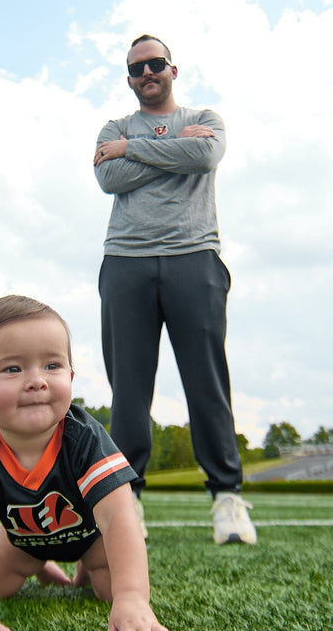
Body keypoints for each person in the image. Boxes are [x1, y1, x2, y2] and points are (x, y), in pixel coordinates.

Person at [0, 294, 180, 631]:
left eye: (52, 365)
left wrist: (132, 598)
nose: (36, 381)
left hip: (91, 537)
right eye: (12, 369)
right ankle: (42, 566)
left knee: (110, 588)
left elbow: (119, 518)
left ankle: (87, 567)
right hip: (22, 541)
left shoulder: (85, 439)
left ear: (71, 377)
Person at [93, 35, 256, 546]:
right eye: (137, 67)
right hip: (126, 261)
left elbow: (205, 156)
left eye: (156, 64)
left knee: (206, 383)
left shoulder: (204, 117)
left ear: (173, 69)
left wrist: (136, 151)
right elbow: (109, 177)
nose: (148, 73)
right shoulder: (113, 127)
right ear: (129, 78)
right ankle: (127, 502)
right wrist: (170, 151)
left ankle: (227, 499)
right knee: (130, 390)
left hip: (195, 257)